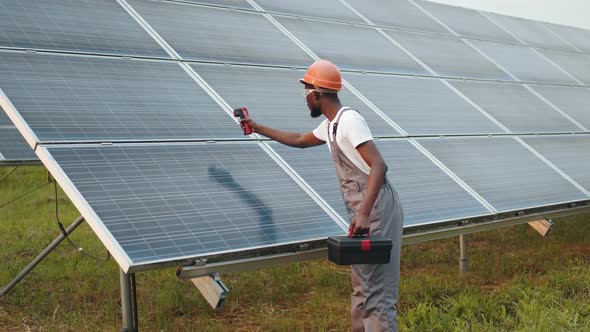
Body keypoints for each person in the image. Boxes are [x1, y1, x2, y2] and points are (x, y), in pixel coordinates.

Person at [239, 59, 403, 331]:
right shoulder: (331, 126)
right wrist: (256, 126)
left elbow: (379, 165)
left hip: (376, 210)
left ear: (317, 94)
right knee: (362, 288)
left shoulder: (350, 121)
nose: (305, 100)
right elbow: (299, 139)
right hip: (364, 211)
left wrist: (363, 213)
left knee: (378, 292)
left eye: (306, 94)